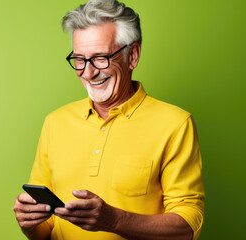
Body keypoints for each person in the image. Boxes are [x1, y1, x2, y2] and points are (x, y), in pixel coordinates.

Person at [13, 0, 205, 239]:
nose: (88, 72)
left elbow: (188, 225)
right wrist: (30, 223)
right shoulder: (55, 122)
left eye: (100, 58)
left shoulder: (175, 123)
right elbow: (45, 229)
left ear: (132, 55)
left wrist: (113, 220)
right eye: (79, 59)